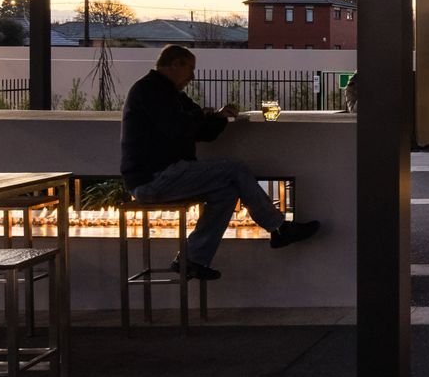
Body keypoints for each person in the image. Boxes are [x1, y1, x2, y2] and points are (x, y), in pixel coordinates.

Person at [121, 44, 320, 280]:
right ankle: (279, 228)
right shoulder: (149, 91)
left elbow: (203, 131)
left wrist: (218, 117)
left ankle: (192, 259)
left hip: (167, 176)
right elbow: (179, 127)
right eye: (190, 69)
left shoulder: (172, 95)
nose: (192, 76)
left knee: (226, 193)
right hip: (153, 178)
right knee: (234, 168)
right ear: (175, 64)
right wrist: (204, 115)